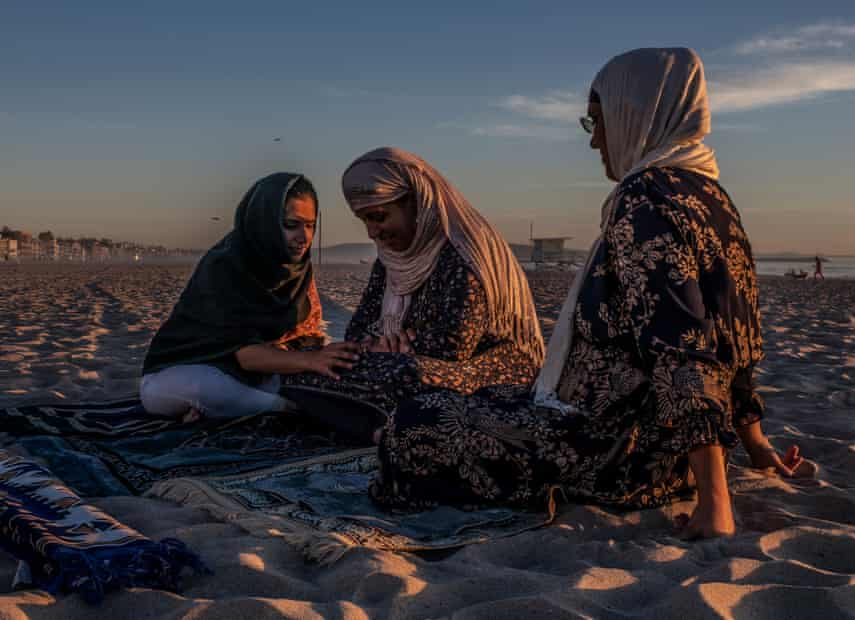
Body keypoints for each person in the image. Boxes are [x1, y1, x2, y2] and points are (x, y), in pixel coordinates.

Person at [371, 49, 805, 539]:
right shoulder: (710, 196)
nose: (596, 140)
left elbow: (682, 350)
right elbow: (735, 332)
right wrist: (754, 441)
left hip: (622, 455)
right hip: (674, 455)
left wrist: (715, 504)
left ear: (638, 114)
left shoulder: (645, 201)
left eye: (599, 122)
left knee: (414, 424)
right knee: (487, 396)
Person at [282, 147, 544, 417]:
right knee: (321, 364)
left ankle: (358, 416)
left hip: (487, 369)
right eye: (364, 220)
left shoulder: (466, 254)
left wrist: (391, 348)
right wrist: (382, 345)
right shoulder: (389, 259)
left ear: (417, 203)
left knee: (406, 375)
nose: (372, 232)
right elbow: (357, 330)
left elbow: (451, 347)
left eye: (379, 217)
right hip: (400, 359)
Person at [141, 173, 359, 420]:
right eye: (291, 225)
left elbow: (307, 335)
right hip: (188, 370)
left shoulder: (297, 270)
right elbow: (245, 355)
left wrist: (319, 356)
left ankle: (238, 409)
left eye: (310, 225)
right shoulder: (225, 267)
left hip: (262, 371)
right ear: (264, 221)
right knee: (206, 388)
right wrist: (309, 360)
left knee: (331, 376)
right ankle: (282, 409)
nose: (304, 237)